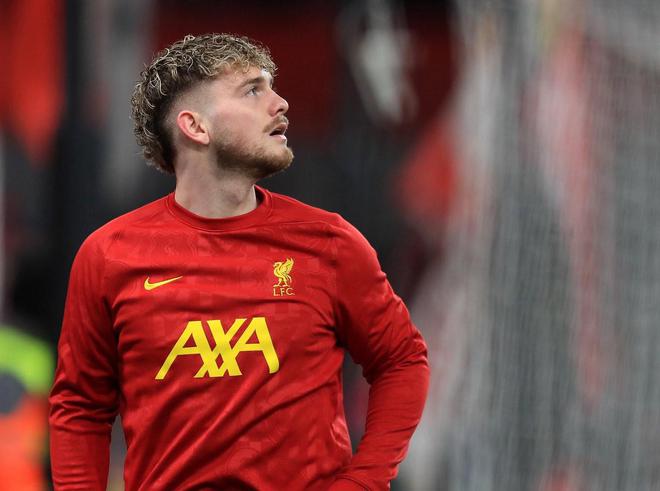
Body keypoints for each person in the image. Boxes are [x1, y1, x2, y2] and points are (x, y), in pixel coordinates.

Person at [49, 33, 429, 491]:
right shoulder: (109, 255)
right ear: (195, 126)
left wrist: (364, 481)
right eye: (252, 91)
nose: (280, 103)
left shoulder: (330, 243)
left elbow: (402, 361)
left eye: (272, 88)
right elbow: (80, 407)